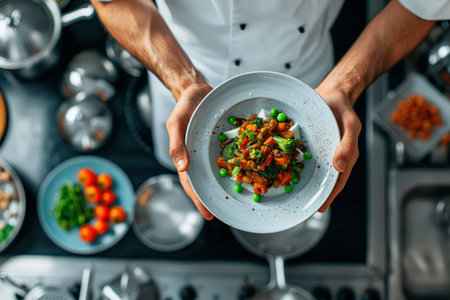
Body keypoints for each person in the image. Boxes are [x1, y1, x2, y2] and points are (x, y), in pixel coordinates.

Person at [91, 0, 450, 220]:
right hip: (184, 71)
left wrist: (345, 85)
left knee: (311, 175)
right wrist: (183, 80)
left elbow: (421, 4)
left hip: (313, 81)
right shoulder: (183, 79)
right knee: (186, 171)